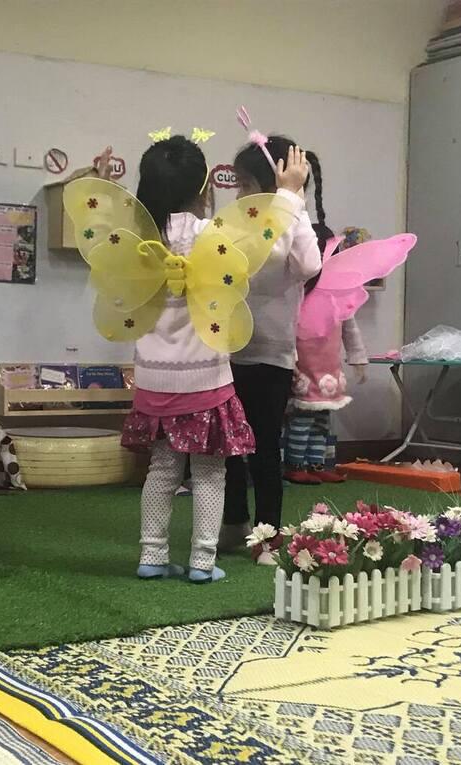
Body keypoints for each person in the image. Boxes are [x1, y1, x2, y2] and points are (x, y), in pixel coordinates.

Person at [114, 137, 311, 583]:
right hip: (204, 381)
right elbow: (267, 244)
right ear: (204, 188)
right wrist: (289, 195)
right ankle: (203, 561)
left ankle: (152, 555)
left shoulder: (141, 239)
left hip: (153, 381)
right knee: (208, 472)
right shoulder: (210, 235)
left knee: (162, 470)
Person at [220, 136, 324, 563]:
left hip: (272, 355)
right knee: (229, 447)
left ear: (273, 184)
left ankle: (268, 535)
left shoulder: (291, 221)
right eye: (238, 184)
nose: (239, 193)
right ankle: (234, 523)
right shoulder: (241, 222)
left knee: (264, 447)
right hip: (229, 350)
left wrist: (293, 203)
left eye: (246, 184)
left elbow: (308, 265)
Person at [284, 227, 370, 485]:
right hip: (305, 365)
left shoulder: (338, 290)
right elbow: (287, 327)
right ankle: (295, 464)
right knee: (302, 417)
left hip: (328, 365)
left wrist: (358, 357)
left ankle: (316, 463)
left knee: (322, 418)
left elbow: (349, 326)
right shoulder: (297, 290)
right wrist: (289, 358)